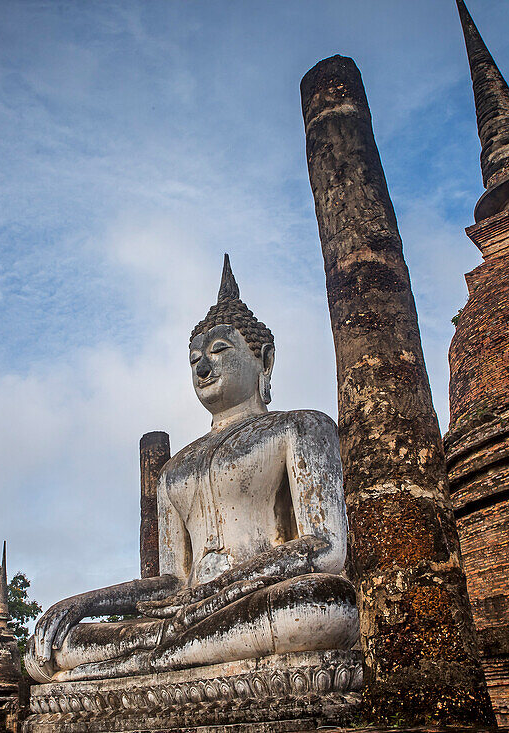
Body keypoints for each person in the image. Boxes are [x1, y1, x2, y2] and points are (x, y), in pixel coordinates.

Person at [25, 256, 358, 684]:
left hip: (257, 602)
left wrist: (219, 593)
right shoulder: (173, 471)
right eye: (195, 358)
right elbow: (170, 581)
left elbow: (326, 548)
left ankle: (141, 666)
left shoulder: (300, 428)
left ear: (265, 361)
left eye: (220, 350)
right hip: (189, 617)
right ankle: (157, 658)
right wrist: (82, 604)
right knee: (57, 643)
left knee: (321, 604)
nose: (203, 366)